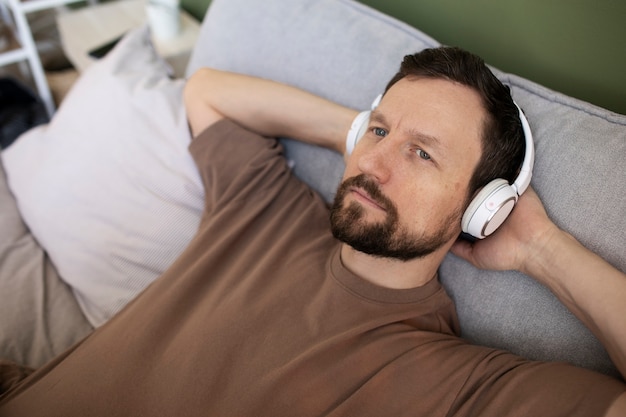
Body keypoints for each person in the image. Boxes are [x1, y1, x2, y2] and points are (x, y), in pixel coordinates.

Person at [0, 46, 624, 416]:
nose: (372, 165)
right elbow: (208, 93)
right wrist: (355, 129)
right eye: (377, 133)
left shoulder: (456, 384)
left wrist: (545, 250)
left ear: (482, 206)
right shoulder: (266, 206)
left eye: (423, 154)